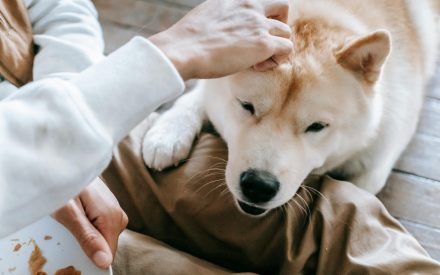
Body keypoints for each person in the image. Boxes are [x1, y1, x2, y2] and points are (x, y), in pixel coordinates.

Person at [0, 0, 292, 269]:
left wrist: (64, 122)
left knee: (320, 229)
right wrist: (175, 50)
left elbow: (59, 7)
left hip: (49, 112)